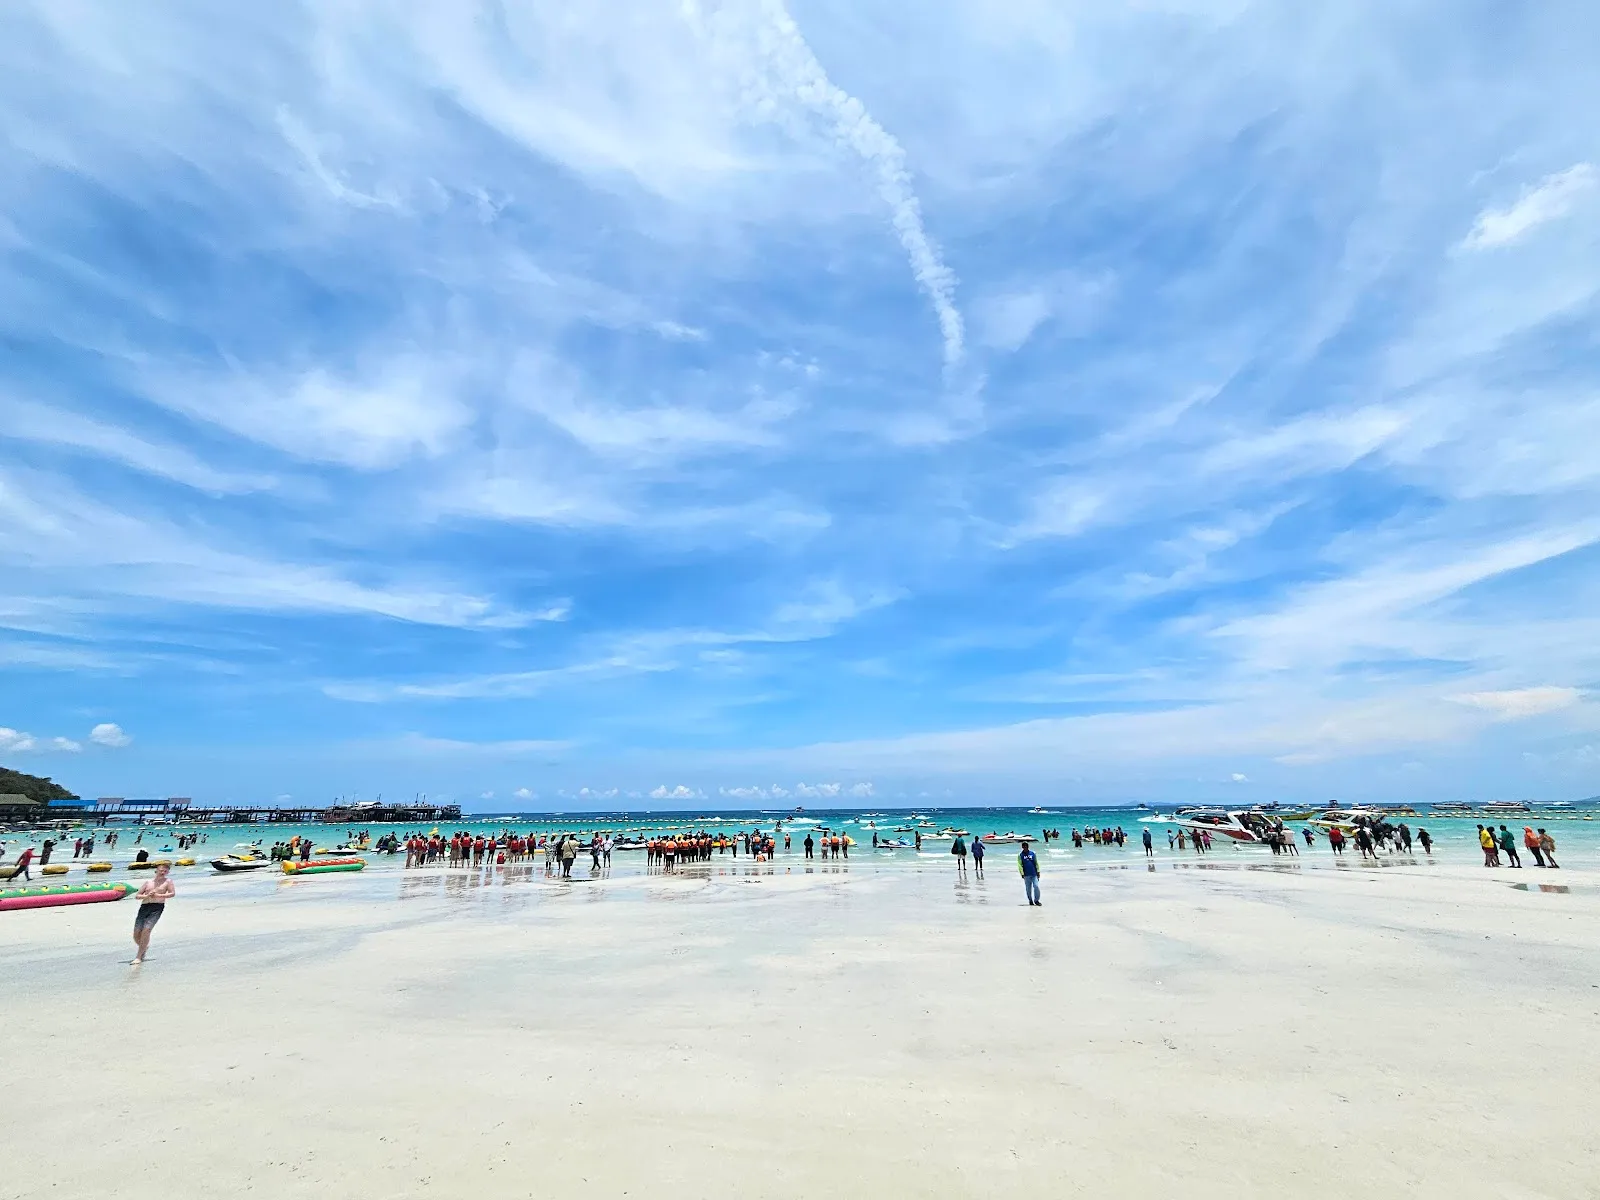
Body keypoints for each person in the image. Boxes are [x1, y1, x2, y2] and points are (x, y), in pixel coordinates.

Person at [131, 862, 175, 965]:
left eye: (165, 871)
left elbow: (172, 893)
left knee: (146, 930)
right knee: (136, 933)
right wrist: (147, 896)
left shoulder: (168, 881)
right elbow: (137, 896)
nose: (163, 872)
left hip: (157, 907)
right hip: (144, 907)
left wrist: (159, 895)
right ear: (156, 871)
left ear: (168, 872)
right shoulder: (148, 882)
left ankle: (138, 957)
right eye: (161, 870)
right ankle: (144, 947)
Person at [1018, 841, 1041, 906]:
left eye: (1026, 846)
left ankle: (1036, 900)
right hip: (1026, 875)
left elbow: (1036, 863)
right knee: (1028, 889)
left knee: (1036, 886)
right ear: (1022, 847)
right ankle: (1030, 900)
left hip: (1034, 874)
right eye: (1024, 846)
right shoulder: (1020, 855)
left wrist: (1038, 871)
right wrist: (1022, 873)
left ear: (1028, 846)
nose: (1025, 847)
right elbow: (1019, 864)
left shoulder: (1033, 853)